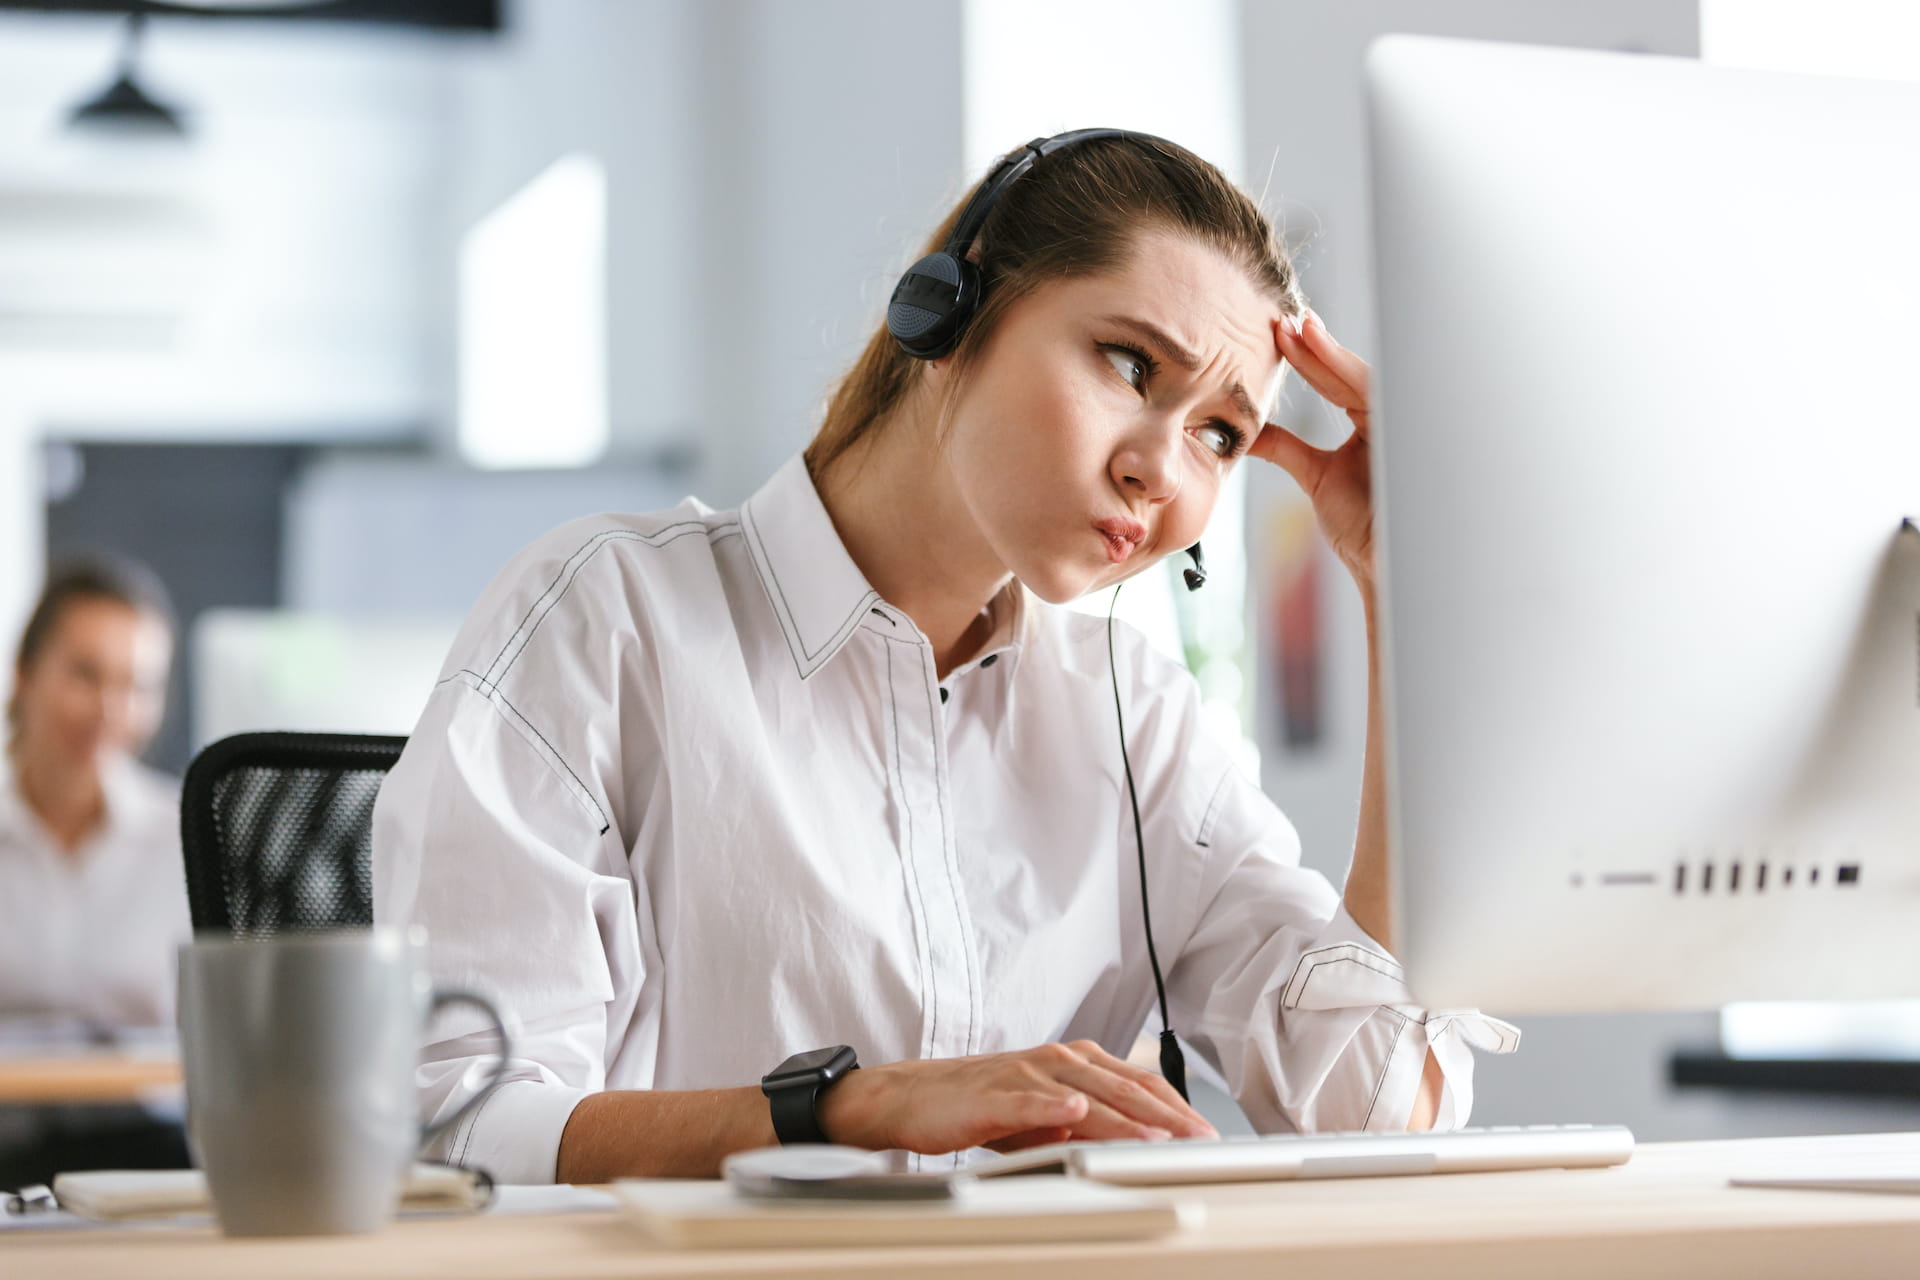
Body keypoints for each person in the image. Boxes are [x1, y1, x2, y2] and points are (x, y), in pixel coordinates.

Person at [374, 130, 1519, 1186]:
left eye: (1220, 432)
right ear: (946, 315)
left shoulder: (1140, 727)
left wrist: (1397, 594)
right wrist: (844, 1111)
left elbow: (1378, 1113)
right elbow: (454, 1133)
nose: (1162, 470)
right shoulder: (610, 617)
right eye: (1130, 365)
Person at [0, 555, 188, 1029]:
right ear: (25, 674)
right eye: (85, 674)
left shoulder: (186, 836)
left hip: (142, 1101)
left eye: (136, 685)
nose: (109, 708)